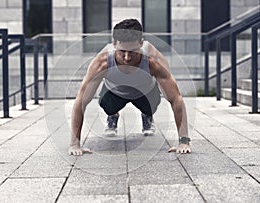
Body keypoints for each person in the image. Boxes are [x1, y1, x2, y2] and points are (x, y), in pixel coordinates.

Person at [68, 19, 191, 156]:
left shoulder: (153, 60)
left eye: (132, 51)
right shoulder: (102, 63)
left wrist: (183, 141)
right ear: (114, 43)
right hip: (114, 92)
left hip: (145, 92)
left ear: (141, 43)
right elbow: (81, 100)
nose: (127, 58)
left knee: (151, 105)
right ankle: (113, 115)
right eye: (122, 51)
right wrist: (75, 144)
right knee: (106, 105)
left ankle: (147, 115)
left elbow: (176, 99)